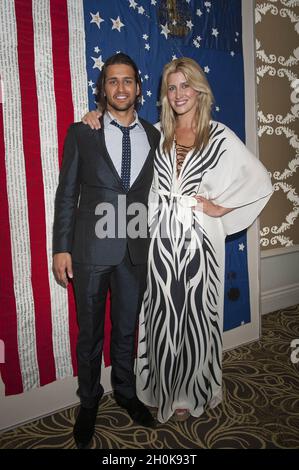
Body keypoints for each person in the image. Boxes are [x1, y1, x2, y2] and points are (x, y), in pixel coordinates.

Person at [82, 57, 273, 424]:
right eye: (171, 87)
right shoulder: (157, 134)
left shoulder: (218, 135)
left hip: (200, 240)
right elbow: (120, 143)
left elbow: (259, 179)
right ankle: (159, 388)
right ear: (163, 95)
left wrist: (222, 208)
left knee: (196, 316)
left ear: (199, 90)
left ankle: (190, 392)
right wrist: (94, 114)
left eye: (186, 85)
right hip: (160, 241)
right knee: (162, 316)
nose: (179, 93)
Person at [53, 53, 160, 448]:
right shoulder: (83, 132)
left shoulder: (154, 135)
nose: (120, 88)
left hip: (135, 248)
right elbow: (67, 194)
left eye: (127, 81)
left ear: (137, 87)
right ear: (103, 88)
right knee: (90, 336)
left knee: (128, 330)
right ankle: (88, 402)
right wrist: (60, 248)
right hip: (90, 249)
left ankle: (126, 393)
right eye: (112, 81)